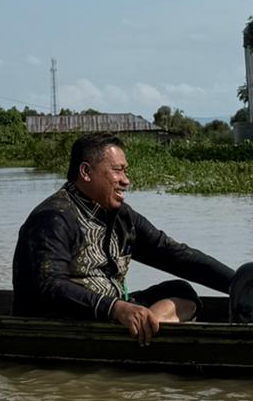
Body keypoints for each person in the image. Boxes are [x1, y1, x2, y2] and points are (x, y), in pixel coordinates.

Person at [12, 132, 235, 345]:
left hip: (114, 315)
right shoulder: (53, 217)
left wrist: (240, 284)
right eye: (117, 171)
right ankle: (144, 332)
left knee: (181, 291)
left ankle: (145, 329)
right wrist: (115, 308)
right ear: (86, 172)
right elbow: (50, 286)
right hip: (62, 323)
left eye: (125, 171)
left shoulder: (121, 217)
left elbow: (172, 254)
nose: (125, 180)